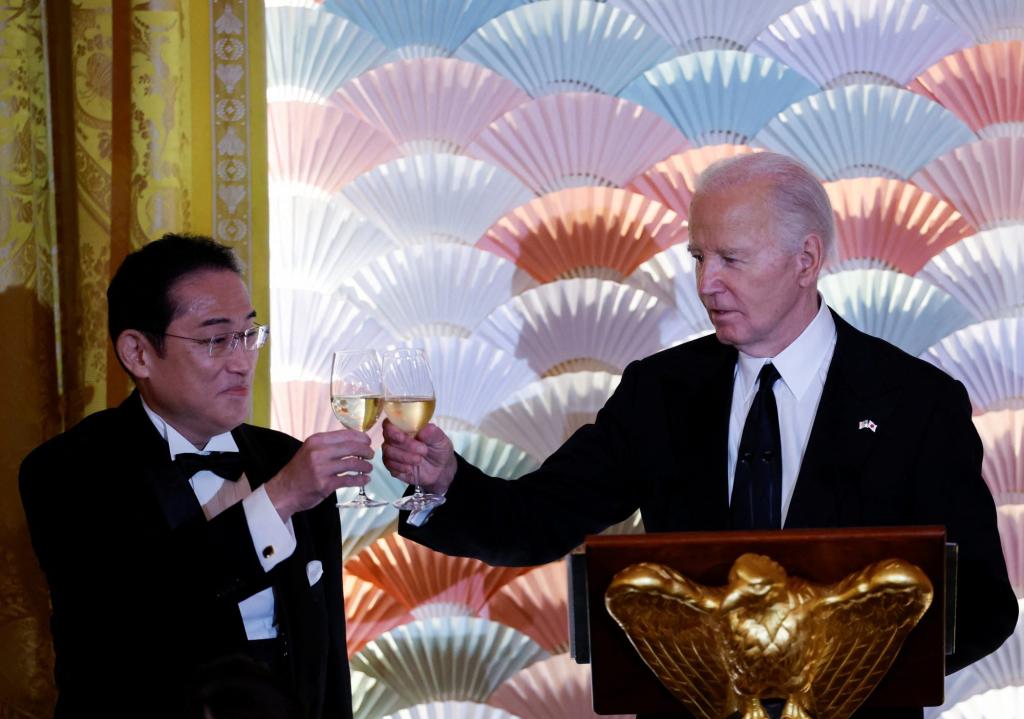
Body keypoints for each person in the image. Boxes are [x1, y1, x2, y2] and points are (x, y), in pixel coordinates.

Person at [383, 152, 1017, 715]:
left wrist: (839, 684)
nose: (706, 282)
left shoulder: (917, 403)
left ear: (807, 261)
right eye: (698, 256)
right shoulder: (660, 391)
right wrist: (445, 483)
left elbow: (983, 604)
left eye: (731, 259)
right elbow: (538, 516)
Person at [19, 234, 372, 718]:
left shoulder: (284, 456)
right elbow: (135, 619)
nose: (242, 361)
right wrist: (278, 501)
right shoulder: (68, 469)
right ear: (138, 353)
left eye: (249, 334)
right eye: (214, 339)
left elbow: (328, 652)